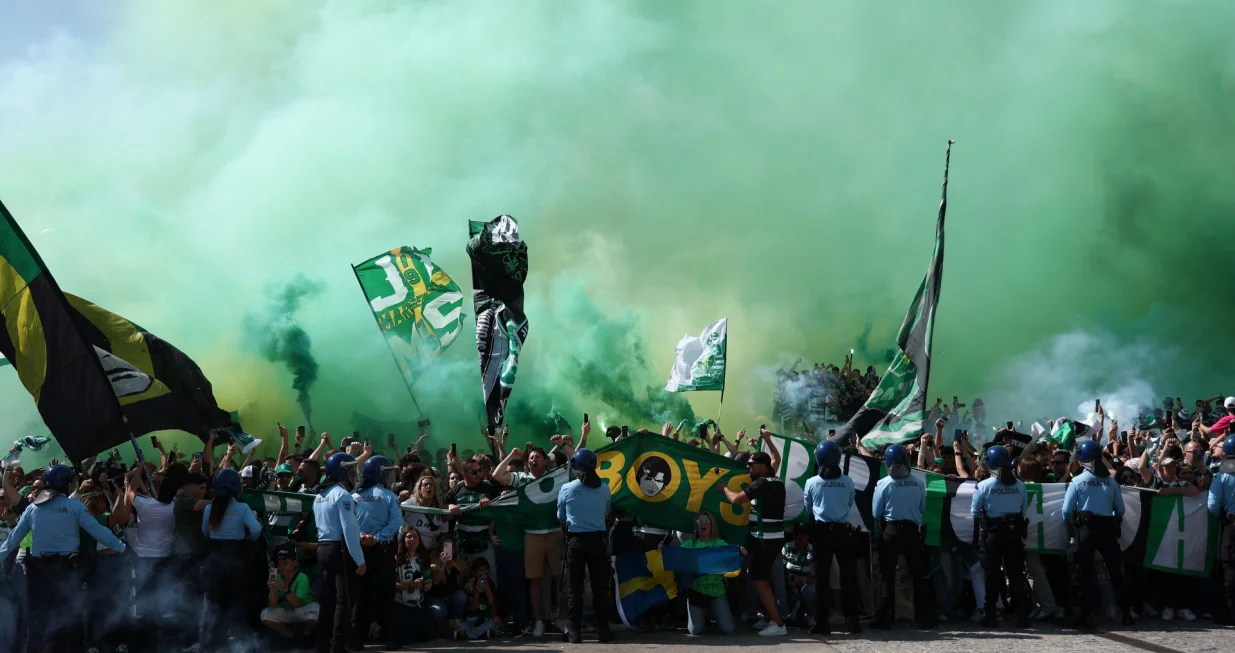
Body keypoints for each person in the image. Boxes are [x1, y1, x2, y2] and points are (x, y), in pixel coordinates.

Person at [0, 464, 126, 652]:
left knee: (38, 623)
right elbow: (99, 532)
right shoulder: (74, 507)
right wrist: (122, 547)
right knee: (70, 620)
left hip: (39, 574)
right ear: (66, 485)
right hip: (67, 572)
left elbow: (13, 539)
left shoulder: (32, 508)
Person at [715, 428, 787, 636]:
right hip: (770, 538)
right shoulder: (774, 478)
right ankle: (769, 618)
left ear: (762, 467)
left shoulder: (762, 482)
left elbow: (737, 499)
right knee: (761, 577)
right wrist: (768, 440)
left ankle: (779, 625)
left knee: (758, 579)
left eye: (751, 464)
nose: (748, 467)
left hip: (765, 539)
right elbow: (776, 458)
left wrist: (724, 489)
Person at [1062, 440, 1133, 628]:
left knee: (1085, 573)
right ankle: (1126, 614)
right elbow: (1121, 509)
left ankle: (1087, 616)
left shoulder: (1077, 481)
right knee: (1116, 572)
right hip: (1107, 528)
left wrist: (1071, 524)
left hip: (1086, 528)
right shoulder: (1110, 482)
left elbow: (1066, 511)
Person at [870, 443, 935, 630]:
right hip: (913, 532)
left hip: (891, 531)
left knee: (887, 575)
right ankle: (925, 617)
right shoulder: (918, 482)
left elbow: (876, 512)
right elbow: (922, 508)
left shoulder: (883, 484)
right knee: (918, 574)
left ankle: (884, 617)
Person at [200, 467, 263, 649]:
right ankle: (239, 645)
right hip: (236, 557)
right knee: (237, 603)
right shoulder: (242, 507)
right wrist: (247, 540)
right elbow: (257, 530)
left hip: (213, 558)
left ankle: (208, 645)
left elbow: (205, 531)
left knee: (211, 604)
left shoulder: (209, 508)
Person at [802, 440, 861, 634]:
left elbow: (809, 508)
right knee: (848, 577)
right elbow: (850, 502)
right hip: (844, 531)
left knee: (822, 578)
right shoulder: (848, 481)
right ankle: (853, 621)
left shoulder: (811, 482)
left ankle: (822, 623)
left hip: (822, 532)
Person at [557, 448, 615, 643]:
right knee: (600, 588)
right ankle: (604, 630)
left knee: (575, 588)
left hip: (576, 541)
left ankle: (574, 632)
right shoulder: (605, 488)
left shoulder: (567, 489)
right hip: (597, 541)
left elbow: (561, 517)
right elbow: (607, 511)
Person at [971, 445, 1030, 628]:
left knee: (992, 575)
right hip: (1013, 533)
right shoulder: (1020, 485)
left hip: (993, 534)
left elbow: (975, 511)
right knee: (1016, 575)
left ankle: (990, 616)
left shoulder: (983, 485)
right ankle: (1021, 616)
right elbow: (1023, 509)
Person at [314, 452, 368, 653]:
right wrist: (360, 559)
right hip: (340, 549)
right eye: (350, 471)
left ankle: (322, 644)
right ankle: (337, 647)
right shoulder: (342, 494)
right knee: (343, 601)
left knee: (327, 600)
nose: (353, 475)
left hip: (323, 547)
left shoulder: (320, 494)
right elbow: (350, 529)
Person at [351, 455, 401, 649]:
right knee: (387, 596)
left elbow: (348, 523)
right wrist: (377, 538)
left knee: (360, 596)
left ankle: (356, 640)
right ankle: (391, 639)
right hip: (382, 551)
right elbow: (396, 523)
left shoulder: (354, 496)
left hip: (359, 550)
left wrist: (362, 536)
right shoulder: (390, 496)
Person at [677, 510, 738, 635]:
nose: (702, 524)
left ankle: (710, 613)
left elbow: (731, 556)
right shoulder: (689, 545)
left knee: (728, 629)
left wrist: (739, 550)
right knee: (695, 631)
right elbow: (675, 557)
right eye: (699, 521)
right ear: (696, 526)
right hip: (696, 593)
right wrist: (663, 550)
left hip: (717, 592)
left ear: (711, 525)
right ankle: (701, 614)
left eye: (705, 521)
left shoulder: (720, 544)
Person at [262, 546, 321, 646]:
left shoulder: (302, 577)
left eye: (285, 564)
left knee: (315, 609)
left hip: (302, 609)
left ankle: (307, 635)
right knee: (265, 614)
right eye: (279, 564)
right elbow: (272, 606)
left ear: (294, 563)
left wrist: (285, 588)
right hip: (286, 610)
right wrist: (273, 590)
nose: (281, 567)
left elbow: (297, 603)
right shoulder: (275, 576)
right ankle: (289, 636)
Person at [1207, 434, 1235, 624]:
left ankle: (1230, 611)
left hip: (1231, 526)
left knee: (1229, 566)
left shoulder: (1222, 476)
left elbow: (1212, 505)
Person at [393, 528, 435, 645]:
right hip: (400, 602)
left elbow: (427, 579)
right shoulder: (396, 558)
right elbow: (390, 585)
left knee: (423, 637)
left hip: (418, 602)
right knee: (405, 639)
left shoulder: (423, 558)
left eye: (415, 536)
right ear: (403, 539)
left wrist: (427, 585)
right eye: (409, 536)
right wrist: (410, 585)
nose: (413, 539)